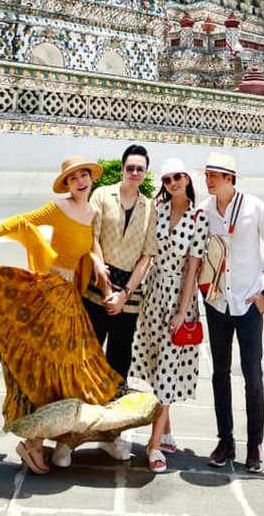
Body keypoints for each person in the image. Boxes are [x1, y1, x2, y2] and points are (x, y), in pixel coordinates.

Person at [0, 156, 122, 475]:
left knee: (67, 365)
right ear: (66, 184)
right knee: (39, 362)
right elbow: (23, 222)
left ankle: (51, 437)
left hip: (69, 298)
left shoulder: (92, 212)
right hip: (49, 290)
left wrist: (95, 261)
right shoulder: (57, 208)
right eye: (73, 178)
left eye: (84, 175)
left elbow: (87, 246)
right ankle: (33, 442)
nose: (80, 181)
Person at [202, 152, 264, 474]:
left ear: (230, 178)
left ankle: (254, 445)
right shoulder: (205, 211)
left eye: (215, 175)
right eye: (207, 174)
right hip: (217, 302)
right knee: (220, 373)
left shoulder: (254, 207)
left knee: (253, 376)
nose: (208, 180)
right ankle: (226, 440)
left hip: (248, 303)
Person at [79, 144, 157, 461]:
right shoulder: (102, 196)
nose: (134, 173)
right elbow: (92, 237)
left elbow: (147, 256)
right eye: (130, 168)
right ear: (122, 169)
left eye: (140, 169)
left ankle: (112, 433)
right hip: (97, 285)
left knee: (119, 363)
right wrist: (103, 275)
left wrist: (124, 293)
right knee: (88, 357)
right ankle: (73, 434)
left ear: (145, 172)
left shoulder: (150, 208)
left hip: (129, 295)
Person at [130, 158, 208, 474]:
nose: (173, 183)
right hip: (153, 293)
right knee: (155, 362)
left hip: (180, 297)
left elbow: (193, 267)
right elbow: (146, 255)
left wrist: (181, 310)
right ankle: (167, 429)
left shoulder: (199, 217)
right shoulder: (157, 212)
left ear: (187, 179)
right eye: (167, 179)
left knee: (168, 369)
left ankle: (152, 446)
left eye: (178, 177)